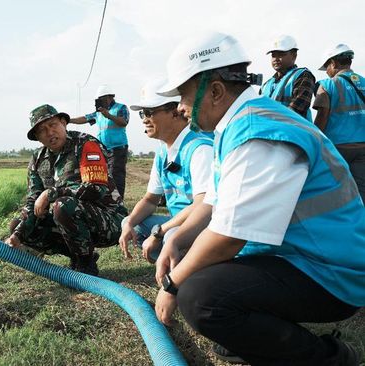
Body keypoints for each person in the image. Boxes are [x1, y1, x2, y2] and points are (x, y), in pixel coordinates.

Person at [152, 31, 364, 365]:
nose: (180, 107)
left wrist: (171, 285)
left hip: (332, 274)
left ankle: (330, 358)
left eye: (184, 96)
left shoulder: (258, 134)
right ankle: (252, 335)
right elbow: (213, 204)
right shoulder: (238, 124)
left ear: (217, 91)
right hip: (305, 257)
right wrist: (177, 239)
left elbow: (227, 238)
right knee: (196, 262)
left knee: (199, 296)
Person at [5, 104, 127, 276]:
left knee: (63, 205)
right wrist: (17, 235)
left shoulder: (86, 144)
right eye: (42, 130)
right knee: (19, 225)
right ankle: (81, 255)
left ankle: (85, 267)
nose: (49, 133)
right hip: (72, 219)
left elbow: (96, 189)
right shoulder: (38, 159)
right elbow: (33, 200)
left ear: (63, 123)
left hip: (110, 221)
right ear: (38, 138)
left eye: (53, 125)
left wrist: (51, 193)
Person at [118, 81, 213, 262]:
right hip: (177, 221)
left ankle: (186, 270)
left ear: (175, 112)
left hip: (203, 225)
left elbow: (203, 206)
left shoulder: (200, 149)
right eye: (142, 113)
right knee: (131, 223)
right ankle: (174, 259)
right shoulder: (163, 151)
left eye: (150, 112)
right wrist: (130, 222)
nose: (145, 119)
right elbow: (150, 200)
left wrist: (159, 232)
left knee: (172, 235)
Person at [313, 44, 365, 201]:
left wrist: (315, 139)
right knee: (360, 193)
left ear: (333, 63)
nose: (327, 72)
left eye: (327, 67)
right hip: (363, 147)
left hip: (337, 148)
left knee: (336, 194)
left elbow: (322, 115)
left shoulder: (327, 85)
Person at [70, 85, 130, 199]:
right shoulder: (98, 113)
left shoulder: (121, 108)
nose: (99, 102)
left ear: (109, 97)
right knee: (105, 175)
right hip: (103, 149)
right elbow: (85, 118)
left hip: (118, 148)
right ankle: (109, 199)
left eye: (101, 99)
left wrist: (108, 115)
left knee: (116, 175)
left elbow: (124, 122)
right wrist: (69, 120)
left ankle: (119, 201)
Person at [259, 35, 315, 121]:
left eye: (281, 54)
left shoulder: (303, 76)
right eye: (273, 55)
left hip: (295, 132)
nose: (276, 59)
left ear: (294, 55)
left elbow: (297, 109)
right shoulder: (266, 85)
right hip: (270, 132)